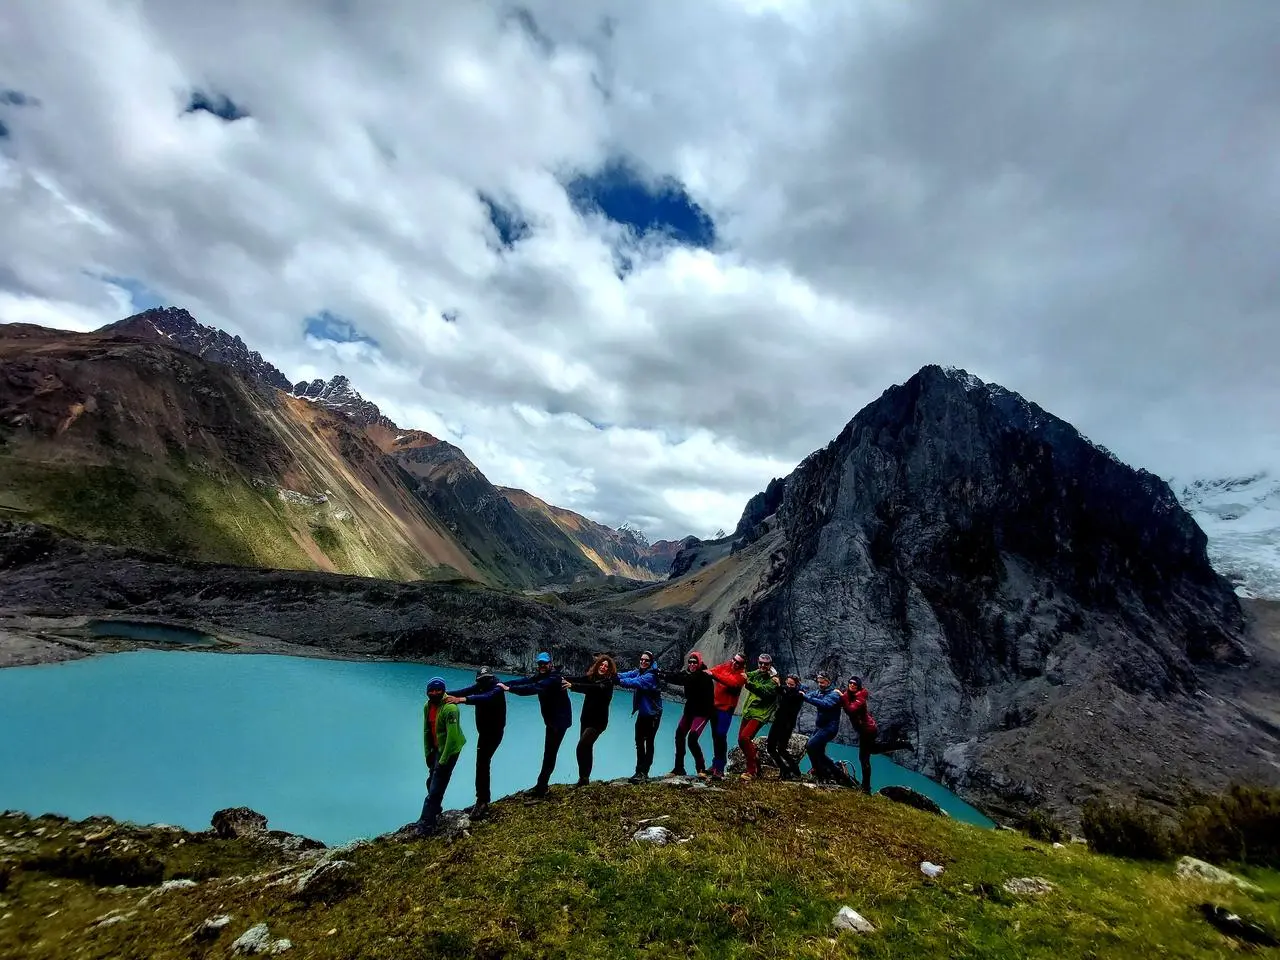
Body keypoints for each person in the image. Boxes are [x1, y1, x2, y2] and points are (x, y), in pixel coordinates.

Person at [501, 651, 572, 797]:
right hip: (552, 721)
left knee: (550, 754)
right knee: (549, 753)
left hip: (559, 722)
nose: (542, 666)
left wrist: (510, 689)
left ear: (550, 663)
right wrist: (503, 684)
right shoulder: (542, 676)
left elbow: (534, 688)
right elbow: (526, 681)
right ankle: (541, 785)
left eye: (544, 663)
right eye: (540, 663)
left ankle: (541, 788)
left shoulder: (553, 678)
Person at [445, 666, 506, 818]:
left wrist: (461, 700)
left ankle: (483, 802)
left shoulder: (496, 688)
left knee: (482, 764)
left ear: (492, 678)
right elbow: (464, 691)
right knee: (482, 764)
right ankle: (481, 799)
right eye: (481, 679)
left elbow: (485, 698)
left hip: (493, 733)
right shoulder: (480, 686)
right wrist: (443, 695)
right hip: (485, 733)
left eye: (487, 678)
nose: (484, 681)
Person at [415, 677, 466, 836]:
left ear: (443, 690)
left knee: (436, 787)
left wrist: (443, 761)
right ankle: (435, 810)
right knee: (431, 781)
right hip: (437, 748)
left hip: (449, 750)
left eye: (438, 690)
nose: (435, 693)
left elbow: (451, 738)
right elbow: (427, 731)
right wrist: (428, 753)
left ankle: (426, 824)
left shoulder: (450, 709)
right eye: (431, 690)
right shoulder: (428, 706)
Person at [563, 654, 617, 785]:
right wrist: (561, 678)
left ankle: (584, 777)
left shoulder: (608, 683)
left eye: (606, 666)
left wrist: (572, 686)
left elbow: (591, 689)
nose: (603, 668)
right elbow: (581, 679)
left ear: (609, 670)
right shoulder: (591, 678)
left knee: (582, 746)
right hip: (586, 719)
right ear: (597, 665)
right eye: (602, 665)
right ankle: (584, 779)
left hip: (598, 722)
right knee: (587, 748)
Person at [661, 651, 716, 777]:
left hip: (702, 713)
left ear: (699, 663)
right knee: (679, 735)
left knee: (692, 739)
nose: (692, 664)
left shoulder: (704, 676)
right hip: (690, 711)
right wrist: (661, 673)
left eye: (694, 662)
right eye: (690, 662)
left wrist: (664, 675)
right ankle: (678, 768)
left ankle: (701, 769)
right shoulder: (688, 674)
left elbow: (685, 679)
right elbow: (679, 677)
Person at [617, 650, 663, 783]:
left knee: (648, 742)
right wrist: (614, 674)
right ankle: (639, 771)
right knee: (639, 742)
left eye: (646, 660)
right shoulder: (640, 671)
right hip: (644, 714)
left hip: (653, 715)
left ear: (651, 662)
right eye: (641, 660)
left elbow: (634, 682)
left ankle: (644, 772)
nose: (643, 662)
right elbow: (628, 674)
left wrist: (617, 680)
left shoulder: (650, 676)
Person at [737, 653, 780, 781]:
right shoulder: (758, 672)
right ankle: (755, 759)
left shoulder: (773, 680)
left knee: (745, 737)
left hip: (760, 714)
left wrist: (748, 683)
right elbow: (748, 675)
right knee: (741, 740)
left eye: (765, 664)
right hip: (749, 712)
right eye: (760, 663)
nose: (762, 666)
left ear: (770, 665)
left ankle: (752, 770)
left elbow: (764, 691)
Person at [707, 653, 748, 779]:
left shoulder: (741, 676)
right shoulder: (725, 666)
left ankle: (719, 768)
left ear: (742, 665)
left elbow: (731, 683)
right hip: (715, 706)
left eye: (738, 662)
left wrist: (713, 675)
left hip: (726, 709)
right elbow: (712, 670)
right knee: (715, 736)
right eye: (734, 660)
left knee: (720, 736)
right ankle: (715, 765)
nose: (734, 663)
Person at [801, 671, 843, 783]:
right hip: (820, 727)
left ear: (828, 682)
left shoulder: (834, 694)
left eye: (822, 682)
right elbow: (810, 695)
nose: (820, 684)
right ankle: (834, 772)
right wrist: (804, 694)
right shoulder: (820, 691)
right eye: (819, 682)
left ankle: (821, 771)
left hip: (829, 728)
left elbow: (825, 704)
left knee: (811, 746)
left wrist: (806, 698)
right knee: (818, 751)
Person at [841, 676, 879, 795]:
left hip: (868, 730)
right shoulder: (848, 694)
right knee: (873, 750)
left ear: (858, 686)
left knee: (864, 758)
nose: (852, 685)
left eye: (855, 684)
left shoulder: (861, 696)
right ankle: (900, 743)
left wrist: (842, 698)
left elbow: (851, 710)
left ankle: (866, 788)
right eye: (850, 683)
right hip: (864, 730)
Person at [766, 674, 806, 780]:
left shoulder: (798, 694)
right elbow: (781, 690)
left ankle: (794, 770)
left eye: (791, 684)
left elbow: (788, 696)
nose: (788, 686)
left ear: (796, 684)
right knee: (770, 747)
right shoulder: (786, 689)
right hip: (778, 721)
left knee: (781, 749)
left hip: (787, 725)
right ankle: (784, 769)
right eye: (787, 683)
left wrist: (779, 685)